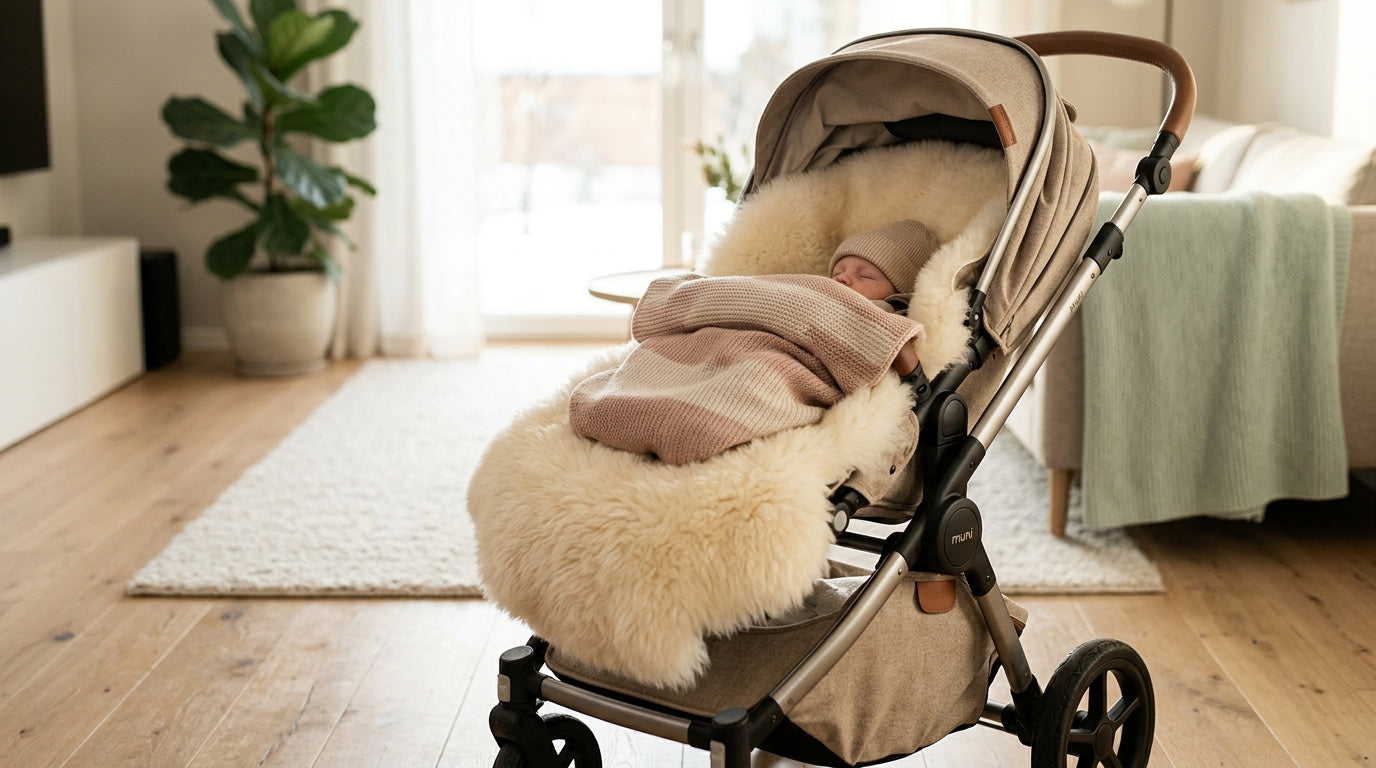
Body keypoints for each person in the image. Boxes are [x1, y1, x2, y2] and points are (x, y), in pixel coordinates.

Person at [828, 218, 942, 374]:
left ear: (898, 295)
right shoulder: (815, 291)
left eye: (864, 276)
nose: (842, 277)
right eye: (838, 272)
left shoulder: (887, 319)